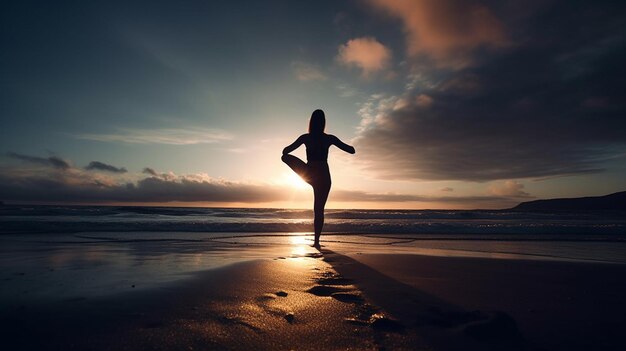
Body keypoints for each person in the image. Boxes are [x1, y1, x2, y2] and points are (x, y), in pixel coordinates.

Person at [281, 109, 355, 249]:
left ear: (311, 122)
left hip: (309, 174)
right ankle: (316, 241)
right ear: (323, 123)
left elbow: (285, 152)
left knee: (284, 157)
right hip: (324, 177)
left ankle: (316, 241)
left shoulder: (306, 137)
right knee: (319, 210)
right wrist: (348, 146)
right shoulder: (329, 138)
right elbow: (351, 150)